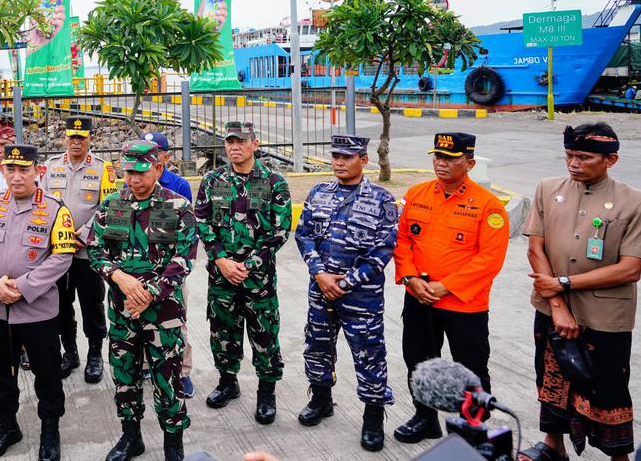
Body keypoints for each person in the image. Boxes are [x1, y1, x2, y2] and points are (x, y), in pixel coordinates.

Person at [519, 123, 641, 461]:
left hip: (605, 315)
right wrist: (556, 303)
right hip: (552, 308)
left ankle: (618, 456)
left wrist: (565, 284)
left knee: (608, 388)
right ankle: (554, 448)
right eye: (569, 155)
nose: (573, 163)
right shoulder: (548, 189)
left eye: (583, 157)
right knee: (551, 378)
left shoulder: (637, 202)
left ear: (611, 159)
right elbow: (536, 250)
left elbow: (630, 268)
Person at [392, 132, 510, 443]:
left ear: (469, 163)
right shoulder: (416, 194)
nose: (441, 164)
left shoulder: (488, 206)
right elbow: (402, 240)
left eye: (450, 159)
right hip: (419, 298)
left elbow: (490, 259)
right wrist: (410, 278)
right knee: (418, 361)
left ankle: (474, 428)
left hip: (464, 305)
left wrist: (445, 287)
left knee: (470, 367)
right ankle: (425, 417)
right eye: (437, 157)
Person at [0, 144, 75, 461]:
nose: (16, 177)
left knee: (47, 376)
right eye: (10, 169)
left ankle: (50, 431)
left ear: (37, 171)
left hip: (37, 311)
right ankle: (8, 426)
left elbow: (62, 256)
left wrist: (25, 287)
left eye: (23, 170)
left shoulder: (56, 209)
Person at [90, 140, 196, 461]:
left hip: (162, 314)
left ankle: (173, 446)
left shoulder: (177, 207)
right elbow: (95, 251)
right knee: (125, 376)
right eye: (128, 173)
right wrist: (120, 278)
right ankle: (131, 438)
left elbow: (184, 259)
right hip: (122, 313)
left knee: (167, 380)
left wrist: (149, 292)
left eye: (141, 172)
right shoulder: (112, 206)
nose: (133, 180)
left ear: (158, 169)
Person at [293, 134, 398, 452]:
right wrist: (320, 274)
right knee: (317, 346)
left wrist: (345, 283)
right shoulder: (319, 192)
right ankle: (322, 399)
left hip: (361, 298)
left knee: (369, 355)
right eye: (335, 156)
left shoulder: (382, 199)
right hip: (321, 290)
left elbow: (382, 251)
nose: (338, 162)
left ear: (363, 161)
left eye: (347, 157)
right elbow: (304, 235)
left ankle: (373, 417)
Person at [194, 121, 291, 427]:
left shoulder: (274, 182)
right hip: (222, 277)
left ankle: (266, 392)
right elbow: (202, 220)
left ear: (255, 143)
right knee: (223, 333)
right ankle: (227, 381)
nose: (234, 147)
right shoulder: (212, 180)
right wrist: (220, 258)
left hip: (258, 280)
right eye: (230, 142)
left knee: (264, 335)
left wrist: (248, 265)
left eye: (241, 141)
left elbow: (280, 230)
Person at [43, 115, 117, 382]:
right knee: (61, 305)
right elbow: (43, 206)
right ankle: (70, 352)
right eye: (71, 138)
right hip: (58, 252)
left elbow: (108, 208)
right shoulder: (50, 167)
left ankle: (95, 354)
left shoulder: (102, 169)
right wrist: (59, 236)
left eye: (81, 138)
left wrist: (84, 234)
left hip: (88, 252)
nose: (76, 142)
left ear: (90, 140)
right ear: (65, 138)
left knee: (91, 304)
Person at [142, 130, 198, 398]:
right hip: (141, 270)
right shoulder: (133, 183)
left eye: (155, 150)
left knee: (178, 321)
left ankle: (182, 372)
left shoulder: (179, 185)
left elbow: (188, 232)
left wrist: (170, 273)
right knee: (140, 322)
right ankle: (143, 366)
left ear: (164, 156)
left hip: (172, 271)